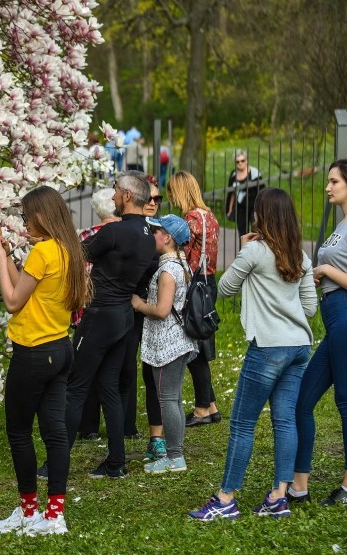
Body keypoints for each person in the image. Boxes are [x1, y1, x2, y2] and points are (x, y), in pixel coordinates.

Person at [189, 188, 317, 521]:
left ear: (263, 216)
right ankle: (278, 496)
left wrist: (245, 252)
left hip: (269, 347)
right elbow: (310, 308)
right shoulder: (301, 257)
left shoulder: (255, 252)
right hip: (299, 346)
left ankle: (226, 498)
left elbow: (225, 288)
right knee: (285, 420)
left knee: (243, 424)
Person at [0, 186, 90, 536]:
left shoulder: (42, 251)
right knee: (55, 433)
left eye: (26, 217)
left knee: (19, 432)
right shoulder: (68, 249)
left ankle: (29, 510)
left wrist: (0, 260)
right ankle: (55, 515)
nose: (24, 223)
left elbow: (14, 302)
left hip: (32, 352)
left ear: (42, 217)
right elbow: (29, 291)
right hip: (61, 349)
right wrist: (11, 261)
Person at [291, 159, 347, 506]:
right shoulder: (343, 224)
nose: (327, 187)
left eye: (334, 181)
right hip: (338, 322)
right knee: (302, 402)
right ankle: (299, 486)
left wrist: (325, 269)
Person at [65, 171, 156, 479]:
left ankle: (55, 463)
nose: (114, 196)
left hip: (100, 315)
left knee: (76, 387)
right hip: (124, 318)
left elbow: (79, 253)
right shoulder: (148, 234)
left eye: (117, 191)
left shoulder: (114, 231)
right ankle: (116, 461)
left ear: (127, 196)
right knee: (109, 388)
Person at [132, 214, 196, 474]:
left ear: (167, 238)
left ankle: (174, 456)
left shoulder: (168, 272)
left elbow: (161, 310)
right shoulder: (181, 265)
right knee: (175, 399)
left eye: (156, 231)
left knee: (168, 399)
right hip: (180, 342)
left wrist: (138, 304)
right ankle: (175, 453)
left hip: (168, 343)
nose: (152, 235)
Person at [166, 171, 221, 427]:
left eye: (172, 192)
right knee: (199, 342)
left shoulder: (191, 219)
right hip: (209, 282)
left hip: (195, 284)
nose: (170, 198)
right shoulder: (210, 215)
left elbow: (183, 252)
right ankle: (210, 404)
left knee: (194, 348)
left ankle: (202, 408)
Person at [72, 188, 120, 442]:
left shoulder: (86, 236)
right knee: (113, 374)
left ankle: (87, 425)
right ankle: (123, 425)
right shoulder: (122, 236)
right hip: (113, 309)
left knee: (84, 371)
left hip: (87, 309)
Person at [131, 179, 165, 458]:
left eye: (158, 199)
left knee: (153, 373)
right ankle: (126, 425)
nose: (154, 203)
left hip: (155, 312)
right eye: (149, 199)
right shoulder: (132, 229)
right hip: (130, 308)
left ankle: (157, 436)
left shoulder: (164, 232)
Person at [225, 150, 263, 236]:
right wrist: (230, 209)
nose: (240, 163)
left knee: (256, 232)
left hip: (254, 207)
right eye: (237, 161)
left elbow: (261, 192)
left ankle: (255, 249)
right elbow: (232, 193)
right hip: (240, 207)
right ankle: (244, 248)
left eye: (242, 160)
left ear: (247, 160)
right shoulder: (233, 174)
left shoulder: (254, 173)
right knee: (242, 233)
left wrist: (260, 209)